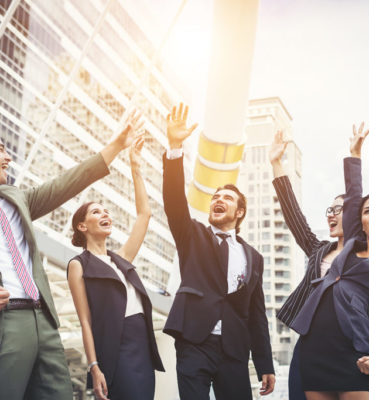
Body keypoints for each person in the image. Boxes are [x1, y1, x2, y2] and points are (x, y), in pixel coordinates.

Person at [0, 110, 143, 399]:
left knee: (59, 393)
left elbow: (69, 181)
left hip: (43, 317)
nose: (8, 158)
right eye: (0, 151)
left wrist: (115, 145)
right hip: (8, 320)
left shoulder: (19, 200)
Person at [162, 103, 275, 400]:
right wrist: (174, 147)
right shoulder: (192, 235)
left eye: (226, 197)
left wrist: (265, 363)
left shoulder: (254, 258)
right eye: (215, 196)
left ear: (239, 212)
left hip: (234, 350)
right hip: (194, 342)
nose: (218, 199)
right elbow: (174, 202)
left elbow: (257, 314)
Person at [290, 123, 369, 400]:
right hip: (314, 347)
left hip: (355, 353)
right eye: (367, 211)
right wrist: (354, 155)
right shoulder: (350, 243)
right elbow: (353, 196)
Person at [67, 133, 164, 400]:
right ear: (82, 226)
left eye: (106, 211)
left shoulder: (121, 258)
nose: (105, 214)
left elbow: (144, 215)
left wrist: (136, 168)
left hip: (141, 344)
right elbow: (85, 320)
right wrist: (93, 366)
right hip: (114, 347)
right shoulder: (78, 265)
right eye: (96, 212)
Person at [269, 130, 347, 400]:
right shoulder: (318, 250)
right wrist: (276, 163)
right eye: (330, 209)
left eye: (339, 209)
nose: (331, 215)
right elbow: (293, 215)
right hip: (310, 343)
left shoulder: (367, 258)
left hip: (349, 347)